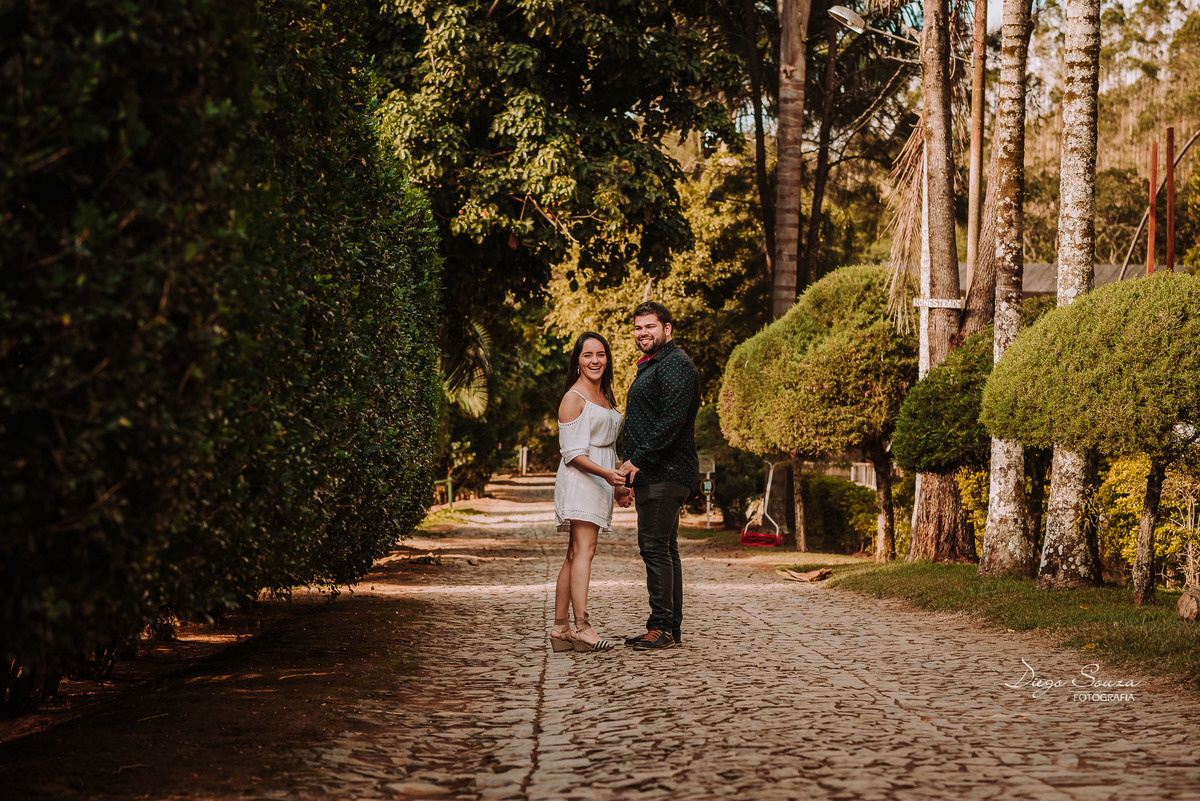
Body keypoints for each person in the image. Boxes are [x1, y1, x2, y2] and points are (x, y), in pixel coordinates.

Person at [618, 301, 700, 651]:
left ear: (667, 329)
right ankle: (669, 627)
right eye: (638, 328)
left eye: (649, 326)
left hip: (665, 472)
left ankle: (661, 627)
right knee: (666, 549)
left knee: (654, 547)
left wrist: (638, 460)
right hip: (657, 473)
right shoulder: (654, 366)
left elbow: (671, 421)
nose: (642, 333)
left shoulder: (677, 366)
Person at [550, 332, 632, 653]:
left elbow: (607, 448)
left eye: (600, 354)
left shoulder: (605, 395)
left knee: (575, 554)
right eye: (587, 355)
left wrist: (617, 489)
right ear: (578, 361)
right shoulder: (574, 397)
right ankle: (583, 627)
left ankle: (560, 629)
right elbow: (573, 453)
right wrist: (607, 476)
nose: (595, 360)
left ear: (607, 358)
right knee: (585, 550)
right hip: (579, 481)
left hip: (600, 481)